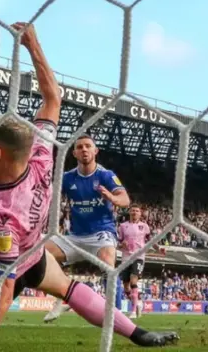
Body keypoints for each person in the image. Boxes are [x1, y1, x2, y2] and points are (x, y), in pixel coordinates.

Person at [0, 23, 178, 351]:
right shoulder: (41, 158)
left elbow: (3, 292)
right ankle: (139, 334)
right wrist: (33, 44)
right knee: (68, 288)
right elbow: (53, 98)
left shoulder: (0, 213)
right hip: (34, 256)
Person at [43, 133, 131, 322]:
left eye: (88, 146)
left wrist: (112, 198)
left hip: (102, 233)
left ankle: (115, 316)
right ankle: (63, 298)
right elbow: (47, 196)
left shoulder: (106, 175)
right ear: (74, 153)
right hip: (74, 236)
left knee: (108, 263)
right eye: (79, 147)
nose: (84, 149)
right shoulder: (67, 178)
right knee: (38, 255)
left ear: (95, 150)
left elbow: (125, 199)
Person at [118, 205, 164, 318]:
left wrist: (159, 249)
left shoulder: (144, 226)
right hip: (126, 257)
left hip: (139, 256)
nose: (135, 212)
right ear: (129, 212)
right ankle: (137, 303)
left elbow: (151, 240)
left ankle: (133, 311)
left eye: (137, 211)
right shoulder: (123, 226)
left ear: (140, 213)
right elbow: (118, 243)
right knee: (126, 286)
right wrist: (121, 245)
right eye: (133, 210)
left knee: (133, 280)